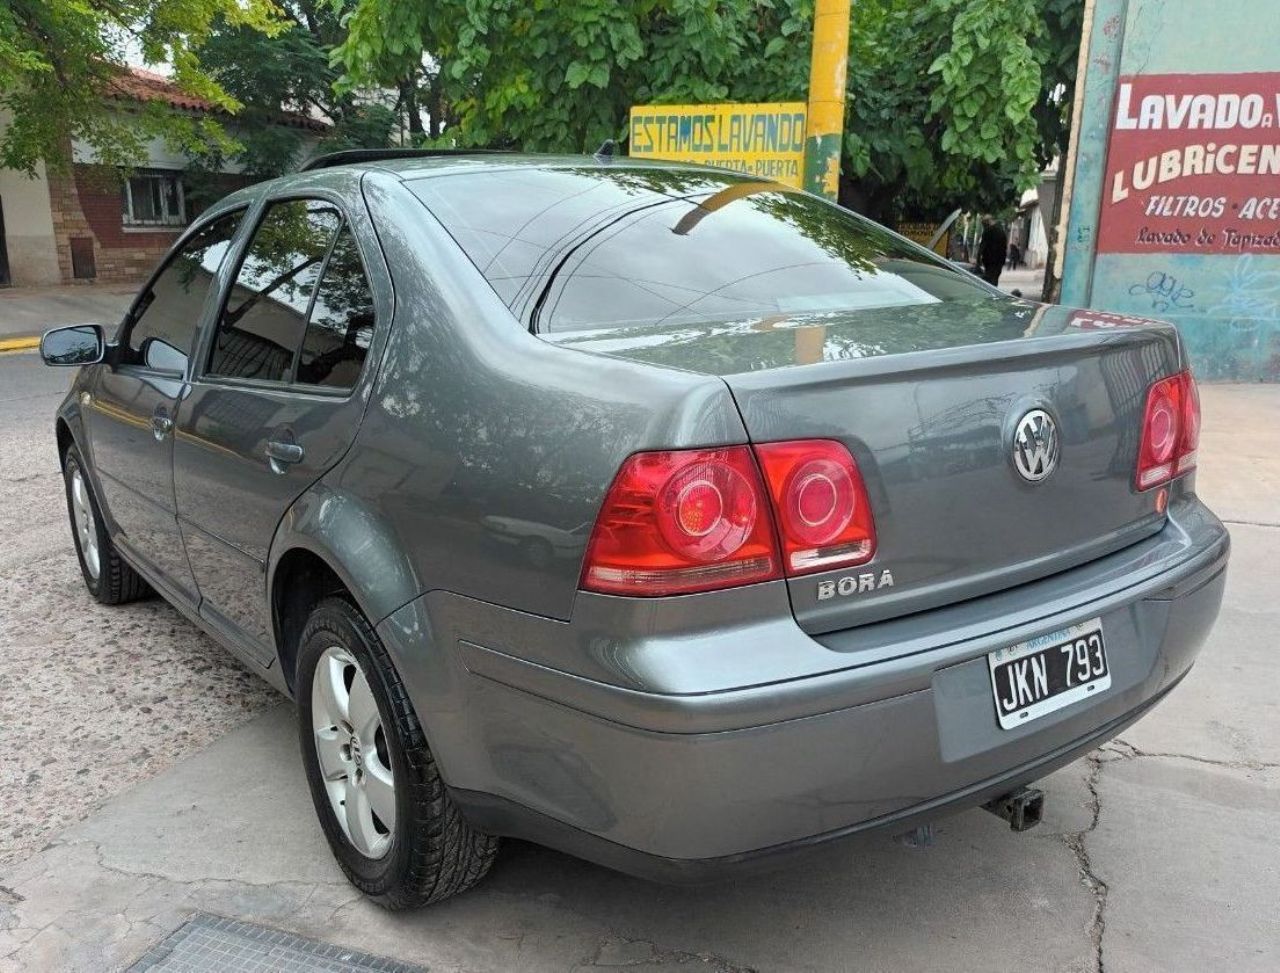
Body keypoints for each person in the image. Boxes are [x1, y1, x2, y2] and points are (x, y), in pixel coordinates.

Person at [977, 215, 1008, 286]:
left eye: (984, 224)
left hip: (989, 261)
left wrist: (978, 260)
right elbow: (1004, 247)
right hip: (999, 262)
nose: (983, 226)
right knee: (994, 280)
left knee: (988, 281)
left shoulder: (987, 231)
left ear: (987, 222)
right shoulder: (1001, 231)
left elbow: (982, 246)